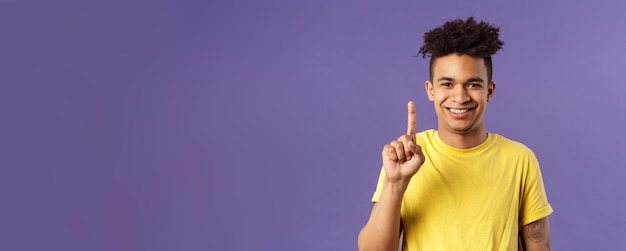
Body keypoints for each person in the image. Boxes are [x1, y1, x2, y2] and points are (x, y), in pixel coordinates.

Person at [357, 17, 553, 251]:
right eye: (447, 84)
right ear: (431, 90)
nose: (460, 97)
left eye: (473, 84)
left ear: (489, 91)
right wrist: (395, 183)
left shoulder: (521, 159)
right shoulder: (405, 157)